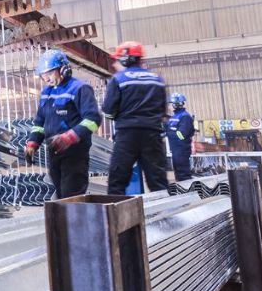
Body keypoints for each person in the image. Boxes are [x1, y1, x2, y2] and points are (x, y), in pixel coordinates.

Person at [25, 49, 102, 199]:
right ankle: (65, 221)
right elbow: (40, 121)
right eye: (43, 75)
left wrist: (71, 137)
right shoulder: (46, 93)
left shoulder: (80, 89)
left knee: (71, 194)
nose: (45, 78)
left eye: (49, 73)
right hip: (54, 151)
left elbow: (93, 119)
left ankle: (75, 222)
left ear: (63, 69)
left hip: (74, 152)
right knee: (61, 194)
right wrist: (33, 142)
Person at [102, 42, 169, 194]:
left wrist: (120, 116)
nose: (115, 63)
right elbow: (162, 111)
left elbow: (108, 111)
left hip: (127, 136)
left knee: (116, 182)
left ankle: (115, 215)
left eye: (118, 60)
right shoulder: (157, 80)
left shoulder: (118, 79)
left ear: (126, 59)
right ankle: (166, 216)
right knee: (158, 182)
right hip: (153, 135)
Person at [166, 93, 195, 181]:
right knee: (178, 173)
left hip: (182, 149)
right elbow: (169, 128)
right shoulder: (174, 117)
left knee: (183, 174)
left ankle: (187, 192)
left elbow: (182, 135)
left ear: (175, 104)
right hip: (176, 150)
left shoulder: (185, 117)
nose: (169, 106)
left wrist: (169, 132)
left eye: (170, 104)